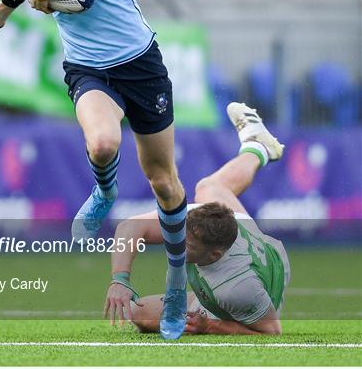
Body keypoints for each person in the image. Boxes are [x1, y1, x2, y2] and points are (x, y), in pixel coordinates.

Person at [0, 0, 187, 340]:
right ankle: (105, 193)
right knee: (103, 142)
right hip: (89, 69)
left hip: (141, 64)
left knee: (164, 183)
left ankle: (176, 283)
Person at [104, 102, 288, 335]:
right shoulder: (196, 224)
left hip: (248, 288)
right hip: (242, 241)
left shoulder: (236, 288)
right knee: (209, 187)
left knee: (143, 316)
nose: (176, 243)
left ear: (214, 254)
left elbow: (271, 332)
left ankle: (258, 147)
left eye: (186, 244)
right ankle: (259, 147)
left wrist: (211, 325)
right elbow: (130, 227)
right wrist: (120, 279)